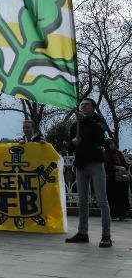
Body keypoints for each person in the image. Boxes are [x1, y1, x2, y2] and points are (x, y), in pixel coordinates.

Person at [65, 98, 112, 248]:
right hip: (81, 164)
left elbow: (99, 134)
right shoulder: (75, 125)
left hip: (95, 163)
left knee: (101, 200)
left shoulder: (98, 121)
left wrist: (85, 120)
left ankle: (106, 235)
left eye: (87, 105)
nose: (83, 107)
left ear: (93, 108)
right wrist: (73, 142)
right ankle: (82, 232)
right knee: (82, 200)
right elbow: (70, 147)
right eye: (82, 105)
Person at [104, 139, 130, 222]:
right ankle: (113, 214)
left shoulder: (118, 153)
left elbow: (124, 163)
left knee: (122, 196)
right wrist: (116, 167)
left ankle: (122, 214)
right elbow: (106, 166)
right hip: (111, 179)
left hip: (121, 178)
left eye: (113, 144)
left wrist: (124, 167)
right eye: (110, 144)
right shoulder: (105, 154)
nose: (112, 145)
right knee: (112, 197)